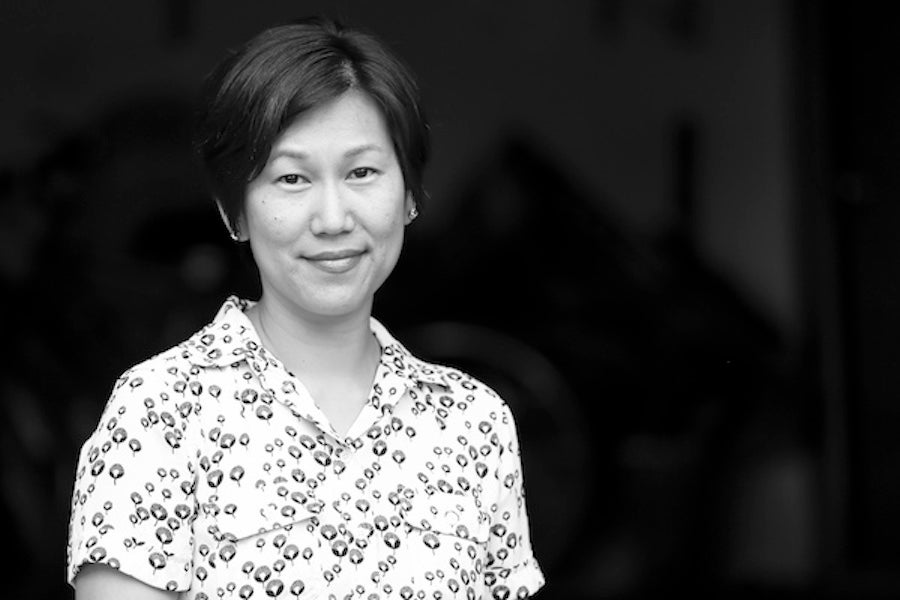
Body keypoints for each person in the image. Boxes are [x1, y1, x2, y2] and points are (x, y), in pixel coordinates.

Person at [66, 16, 545, 600]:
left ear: (412, 196)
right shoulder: (162, 413)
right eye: (292, 178)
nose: (333, 218)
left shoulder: (473, 426)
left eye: (363, 172)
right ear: (233, 212)